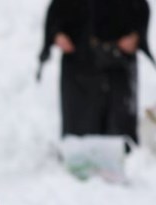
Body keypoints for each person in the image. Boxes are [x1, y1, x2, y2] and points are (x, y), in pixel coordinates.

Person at [40, 0, 152, 148]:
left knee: (119, 137)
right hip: (79, 64)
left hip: (118, 66)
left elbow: (141, 9)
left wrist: (136, 36)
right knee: (81, 135)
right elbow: (56, 12)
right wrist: (57, 35)